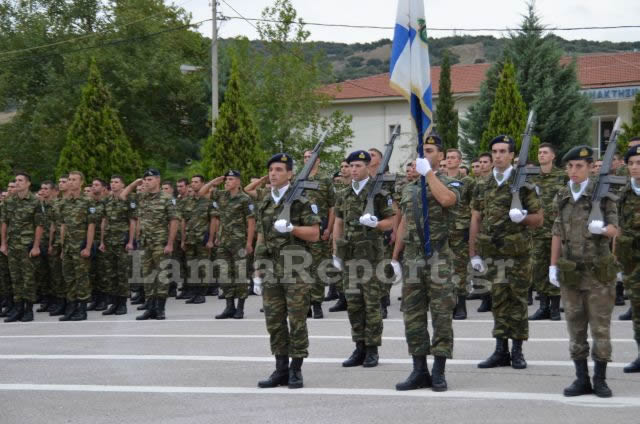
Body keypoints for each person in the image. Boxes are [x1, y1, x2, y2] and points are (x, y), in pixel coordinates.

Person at [550, 145, 618, 397]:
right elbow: (557, 232)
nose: (574, 171)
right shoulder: (562, 196)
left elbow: (616, 231)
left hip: (599, 273)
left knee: (600, 328)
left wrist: (605, 230)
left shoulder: (604, 195)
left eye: (579, 166)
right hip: (571, 273)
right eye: (569, 166)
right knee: (575, 328)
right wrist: (552, 265)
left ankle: (600, 379)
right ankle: (581, 379)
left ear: (590, 167)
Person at [469, 135, 542, 370]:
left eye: (503, 151)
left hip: (518, 254)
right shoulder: (483, 184)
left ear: (512, 156)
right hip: (493, 253)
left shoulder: (524, 184)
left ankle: (518, 351)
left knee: (518, 301)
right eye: (495, 151)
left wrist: (523, 218)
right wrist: (474, 253)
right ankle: (501, 350)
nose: (498, 155)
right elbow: (476, 218)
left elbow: (539, 219)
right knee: (499, 301)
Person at [392, 135, 459, 391]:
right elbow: (406, 223)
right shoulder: (408, 188)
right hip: (412, 260)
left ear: (440, 156)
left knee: (441, 316)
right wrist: (394, 257)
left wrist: (428, 174)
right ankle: (418, 369)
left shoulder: (449, 182)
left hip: (439, 259)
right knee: (413, 316)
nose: (423, 154)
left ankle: (439, 370)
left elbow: (447, 200)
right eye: (421, 150)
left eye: (429, 150)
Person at [253, 153, 320, 389]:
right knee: (274, 321)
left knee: (297, 320)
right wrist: (257, 270)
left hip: (296, 269)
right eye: (271, 169)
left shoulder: (302, 199)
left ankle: (296, 370)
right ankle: (280, 369)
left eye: (280, 169)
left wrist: (292, 228)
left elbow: (314, 234)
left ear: (290, 174)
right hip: (271, 270)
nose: (274, 173)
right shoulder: (265, 201)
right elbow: (261, 236)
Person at [333, 150, 395, 368]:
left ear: (369, 168)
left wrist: (377, 224)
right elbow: (338, 224)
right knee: (353, 304)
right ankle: (358, 346)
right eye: (351, 166)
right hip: (350, 258)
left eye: (359, 166)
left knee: (372, 304)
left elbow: (391, 222)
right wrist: (336, 254)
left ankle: (372, 349)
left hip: (372, 258)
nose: (354, 170)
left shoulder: (378, 192)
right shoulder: (343, 193)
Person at [121, 169, 179, 320]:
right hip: (146, 243)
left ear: (158, 180)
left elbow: (174, 221)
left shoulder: (167, 199)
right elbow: (123, 195)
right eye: (145, 179)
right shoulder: (142, 197)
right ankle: (150, 308)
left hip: (161, 242)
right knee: (147, 276)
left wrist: (170, 244)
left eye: (150, 179)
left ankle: (160, 309)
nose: (147, 182)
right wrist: (135, 182)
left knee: (161, 276)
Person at [206, 171, 255, 319]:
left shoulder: (245, 199)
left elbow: (251, 222)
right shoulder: (221, 195)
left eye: (231, 179)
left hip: (239, 242)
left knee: (240, 275)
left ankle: (240, 308)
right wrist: (214, 181)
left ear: (238, 182)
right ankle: (229, 307)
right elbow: (202, 192)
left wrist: (249, 243)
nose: (227, 182)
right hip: (223, 243)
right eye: (226, 179)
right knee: (224, 274)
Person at [528, 143, 566, 321]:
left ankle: (556, 308)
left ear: (553, 156)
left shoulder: (562, 176)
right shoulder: (531, 177)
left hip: (557, 231)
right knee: (538, 269)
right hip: (537, 230)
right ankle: (543, 306)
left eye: (545, 153)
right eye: (539, 153)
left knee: (556, 267)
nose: (541, 155)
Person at [0, 172, 45, 322]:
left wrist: (36, 246)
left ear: (28, 184)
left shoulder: (35, 201)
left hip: (27, 246)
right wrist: (3, 243)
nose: (17, 183)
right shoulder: (9, 201)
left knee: (28, 278)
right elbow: (4, 223)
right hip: (12, 246)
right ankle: (17, 308)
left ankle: (28, 309)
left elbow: (39, 225)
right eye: (16, 180)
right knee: (15, 278)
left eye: (21, 180)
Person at [58, 171, 99, 321]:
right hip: (68, 246)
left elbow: (91, 226)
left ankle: (82, 309)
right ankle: (71, 307)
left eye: (74, 180)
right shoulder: (65, 203)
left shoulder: (88, 202)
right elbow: (63, 226)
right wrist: (63, 248)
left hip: (81, 246)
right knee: (69, 278)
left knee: (81, 278)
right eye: (69, 179)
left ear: (81, 182)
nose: (71, 182)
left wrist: (88, 247)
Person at [614, 144, 640, 373]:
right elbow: (618, 228)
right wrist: (616, 260)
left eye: (639, 163)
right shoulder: (624, 193)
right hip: (632, 260)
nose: (634, 167)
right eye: (631, 163)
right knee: (638, 309)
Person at [301, 149, 335, 319]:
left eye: (311, 157)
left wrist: (329, 228)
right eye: (305, 157)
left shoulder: (325, 180)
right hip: (301, 231)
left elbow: (332, 206)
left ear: (318, 160)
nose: (308, 159)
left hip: (319, 229)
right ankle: (305, 303)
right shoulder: (297, 179)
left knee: (318, 267)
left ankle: (317, 303)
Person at [444, 148, 475, 320]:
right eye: (448, 158)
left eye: (453, 157)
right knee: (443, 267)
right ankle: (449, 303)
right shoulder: (439, 179)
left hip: (460, 228)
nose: (450, 160)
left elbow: (475, 205)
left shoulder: (468, 181)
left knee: (460, 268)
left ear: (460, 160)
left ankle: (461, 305)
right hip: (443, 229)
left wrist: (469, 229)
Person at [99, 175, 136, 316]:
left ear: (123, 185)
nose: (113, 184)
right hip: (109, 241)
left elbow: (132, 221)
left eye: (116, 182)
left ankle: (122, 304)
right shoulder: (106, 200)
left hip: (122, 241)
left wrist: (131, 241)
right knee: (111, 273)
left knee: (122, 273)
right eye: (111, 182)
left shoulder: (128, 199)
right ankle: (113, 303)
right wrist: (102, 241)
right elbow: (104, 221)